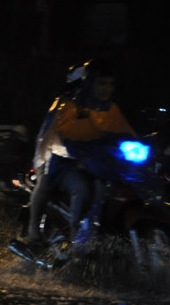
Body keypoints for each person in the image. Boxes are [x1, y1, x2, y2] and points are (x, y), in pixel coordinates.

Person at [24, 58, 136, 251]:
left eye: (110, 84)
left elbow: (124, 132)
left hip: (95, 162)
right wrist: (75, 150)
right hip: (60, 161)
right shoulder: (66, 106)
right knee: (80, 189)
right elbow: (54, 139)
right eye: (101, 83)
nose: (106, 89)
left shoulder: (110, 108)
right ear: (89, 83)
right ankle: (74, 240)